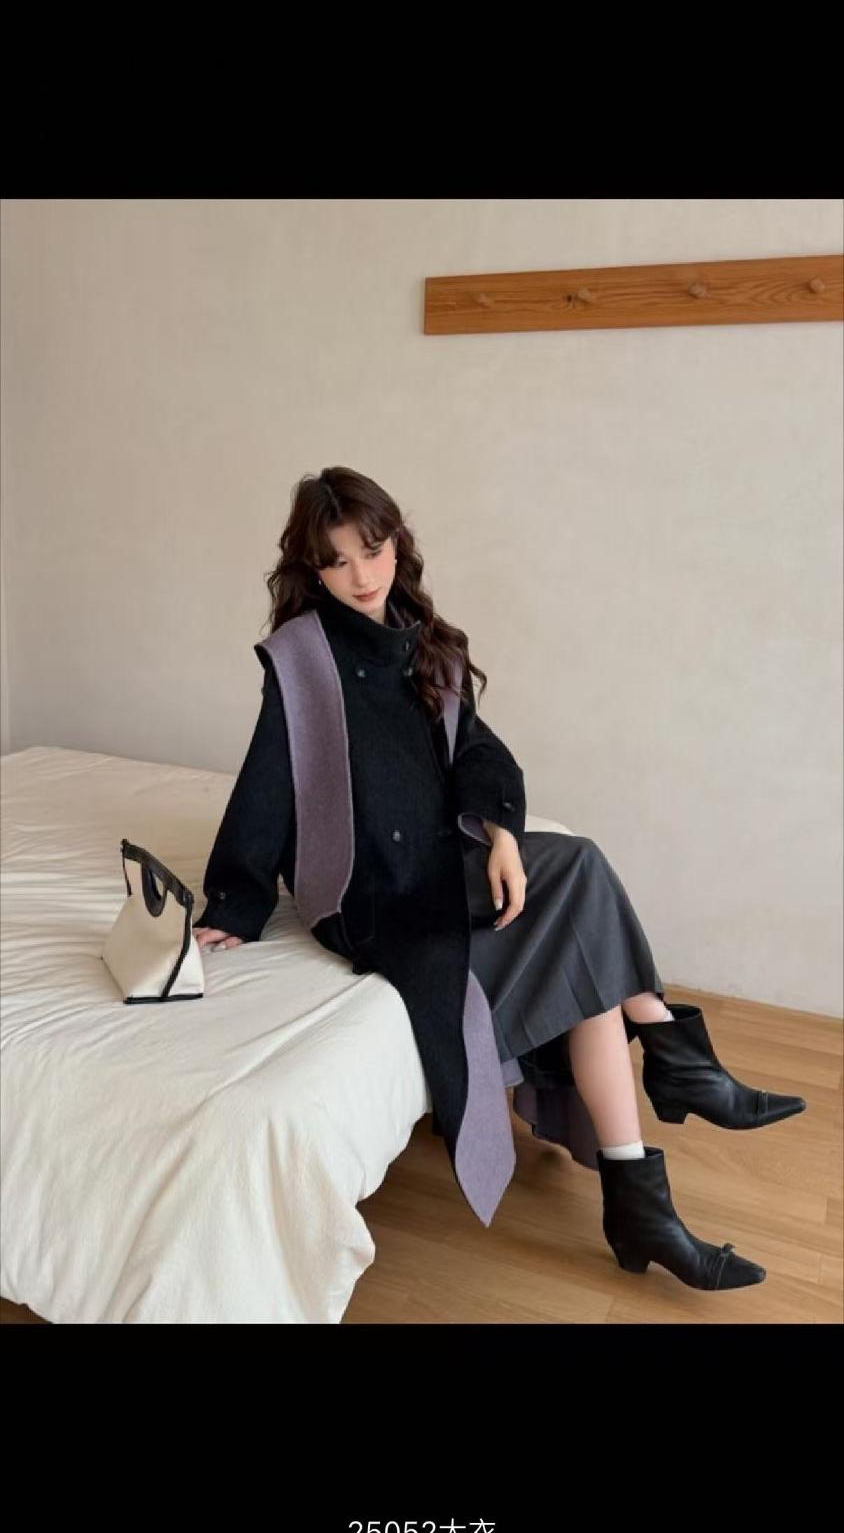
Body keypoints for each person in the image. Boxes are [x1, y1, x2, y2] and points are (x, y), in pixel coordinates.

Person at [194, 466, 806, 1294]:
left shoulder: (425, 636)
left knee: (578, 916)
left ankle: (640, 1190)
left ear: (397, 542)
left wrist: (503, 833)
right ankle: (674, 1062)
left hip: (441, 856)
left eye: (372, 550)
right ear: (315, 569)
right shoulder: (304, 657)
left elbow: (478, 749)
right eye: (337, 561)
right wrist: (235, 900)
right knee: (581, 875)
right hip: (373, 887)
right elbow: (268, 779)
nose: (362, 574)